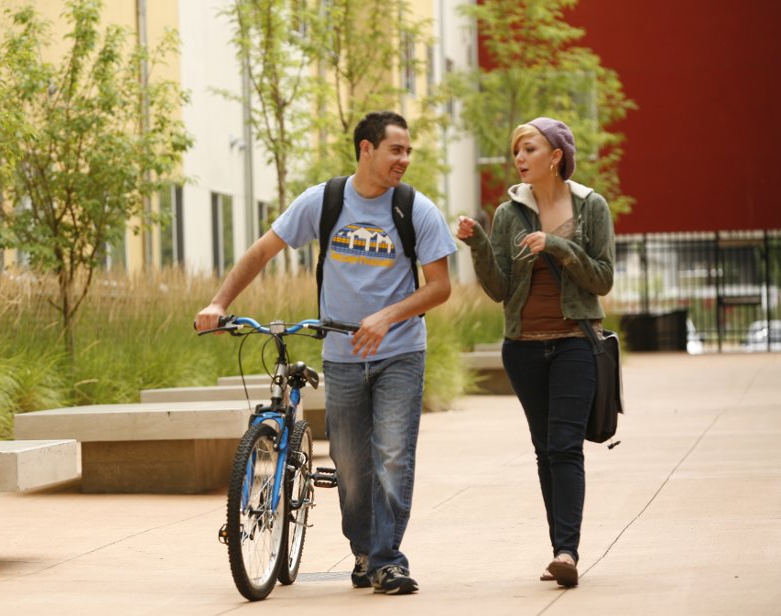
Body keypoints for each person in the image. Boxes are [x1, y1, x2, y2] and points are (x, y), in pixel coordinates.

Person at [195, 111, 456, 595]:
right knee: (351, 465)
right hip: (341, 356)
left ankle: (387, 560)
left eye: (408, 151)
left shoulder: (416, 209)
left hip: (400, 352)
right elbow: (261, 251)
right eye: (395, 149)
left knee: (393, 457)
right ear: (365, 149)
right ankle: (364, 553)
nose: (404, 159)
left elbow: (440, 288)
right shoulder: (325, 201)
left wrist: (386, 317)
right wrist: (218, 303)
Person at [455, 117, 615, 588]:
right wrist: (479, 243)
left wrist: (559, 245)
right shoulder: (509, 214)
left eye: (528, 149)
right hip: (523, 349)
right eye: (516, 151)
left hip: (574, 343)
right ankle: (559, 550)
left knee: (565, 447)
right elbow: (501, 289)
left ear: (555, 156)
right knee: (545, 450)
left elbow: (603, 278)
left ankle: (568, 550)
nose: (519, 159)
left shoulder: (591, 208)